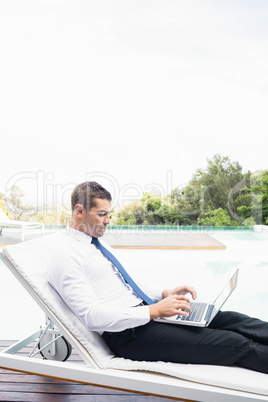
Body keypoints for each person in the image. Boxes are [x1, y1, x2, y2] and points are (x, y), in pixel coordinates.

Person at [48, 181, 268, 374]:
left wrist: (164, 294)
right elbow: (92, 316)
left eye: (108, 213)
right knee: (237, 344)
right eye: (102, 214)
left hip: (149, 314)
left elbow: (124, 283)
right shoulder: (66, 256)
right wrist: (155, 311)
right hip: (131, 336)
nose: (108, 220)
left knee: (229, 319)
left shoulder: (96, 243)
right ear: (79, 210)